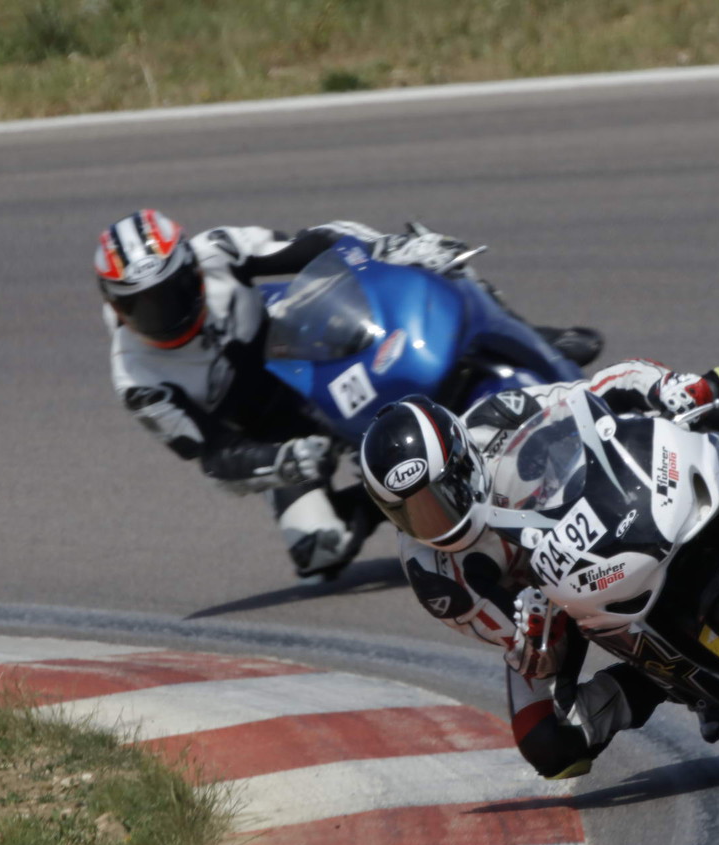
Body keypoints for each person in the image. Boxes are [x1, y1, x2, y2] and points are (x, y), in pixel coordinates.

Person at [358, 360, 719, 779]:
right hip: (549, 598)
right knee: (549, 746)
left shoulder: (496, 418)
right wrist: (534, 635)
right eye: (413, 511)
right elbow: (525, 652)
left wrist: (669, 388)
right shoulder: (435, 576)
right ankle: (670, 682)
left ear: (462, 457)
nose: (436, 518)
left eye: (443, 493)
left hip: (597, 507)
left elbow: (593, 391)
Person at [95, 208, 604, 580]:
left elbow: (314, 242)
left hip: (301, 349)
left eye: (174, 291)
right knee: (320, 549)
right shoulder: (139, 382)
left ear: (191, 269)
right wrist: (281, 460)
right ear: (116, 308)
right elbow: (214, 457)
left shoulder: (218, 250)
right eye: (143, 306)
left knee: (434, 269)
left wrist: (390, 247)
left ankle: (526, 339)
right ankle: (391, 494)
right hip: (277, 432)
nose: (166, 312)